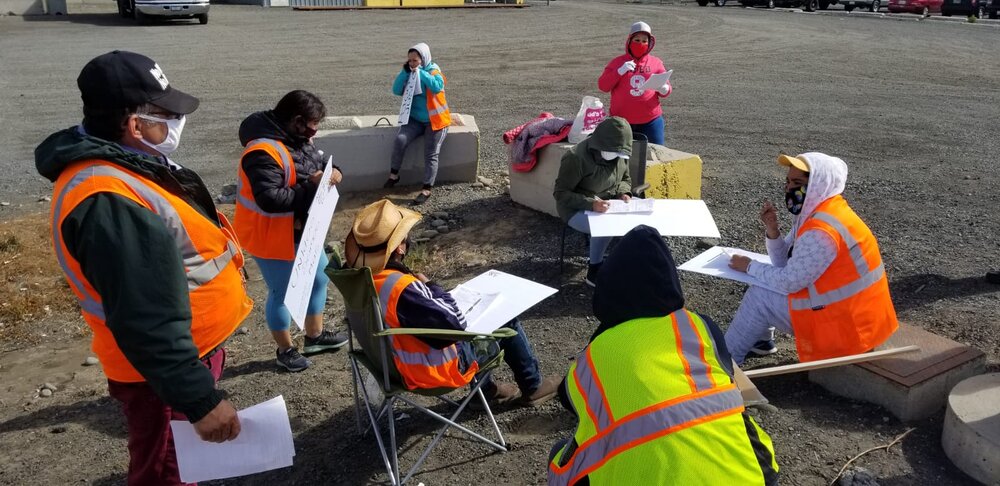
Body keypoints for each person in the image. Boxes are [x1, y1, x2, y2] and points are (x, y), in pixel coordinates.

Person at [35, 50, 252, 485]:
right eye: (166, 113)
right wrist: (199, 400)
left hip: (181, 358)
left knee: (179, 467)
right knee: (166, 473)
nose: (176, 121)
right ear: (134, 124)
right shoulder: (108, 198)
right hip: (161, 374)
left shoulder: (127, 163)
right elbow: (145, 314)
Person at [548, 225, 779, 486]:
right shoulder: (698, 325)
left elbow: (567, 398)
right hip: (752, 476)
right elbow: (726, 373)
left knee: (561, 456)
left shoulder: (595, 353)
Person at [344, 199, 560, 405]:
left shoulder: (361, 281)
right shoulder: (402, 287)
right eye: (404, 236)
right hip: (432, 371)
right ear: (400, 248)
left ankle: (486, 392)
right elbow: (454, 326)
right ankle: (532, 388)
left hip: (387, 364)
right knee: (506, 321)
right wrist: (433, 287)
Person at [726, 152, 898, 365]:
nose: (789, 188)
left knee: (759, 295)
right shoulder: (822, 211)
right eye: (788, 181)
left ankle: (724, 362)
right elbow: (783, 264)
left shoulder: (821, 231)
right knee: (760, 279)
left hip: (846, 326)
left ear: (818, 183)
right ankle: (761, 342)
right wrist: (773, 230)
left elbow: (790, 281)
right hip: (853, 316)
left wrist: (750, 266)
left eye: (797, 182)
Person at [235, 90, 348, 372]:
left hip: (302, 232)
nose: (315, 130)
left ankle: (315, 337)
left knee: (320, 278)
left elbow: (322, 163)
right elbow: (270, 199)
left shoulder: (299, 140)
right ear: (297, 121)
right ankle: (285, 350)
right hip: (271, 236)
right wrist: (313, 186)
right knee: (282, 292)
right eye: (313, 123)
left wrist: (335, 173)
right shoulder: (261, 153)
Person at [553, 117, 634, 287]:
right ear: (600, 144)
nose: (618, 158)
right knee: (605, 226)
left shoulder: (620, 154)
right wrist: (591, 204)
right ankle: (594, 271)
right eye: (614, 152)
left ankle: (627, 264)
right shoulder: (575, 157)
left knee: (639, 222)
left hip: (608, 204)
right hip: (574, 209)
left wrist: (623, 192)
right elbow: (560, 194)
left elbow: (625, 178)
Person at [383, 42, 452, 206]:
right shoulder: (409, 71)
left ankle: (427, 188)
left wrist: (421, 73)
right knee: (400, 140)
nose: (412, 63)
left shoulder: (434, 71)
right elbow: (396, 90)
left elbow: (437, 87)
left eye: (415, 60)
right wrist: (404, 73)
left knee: (431, 152)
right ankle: (394, 174)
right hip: (414, 120)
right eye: (410, 61)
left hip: (435, 122)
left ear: (424, 59)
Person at [598, 21, 672, 146]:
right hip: (621, 122)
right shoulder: (617, 62)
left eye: (644, 41)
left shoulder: (656, 62)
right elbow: (603, 86)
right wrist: (619, 71)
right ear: (629, 41)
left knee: (656, 155)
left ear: (650, 43)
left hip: (651, 121)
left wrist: (665, 89)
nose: (641, 43)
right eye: (637, 40)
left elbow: (667, 88)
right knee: (621, 158)